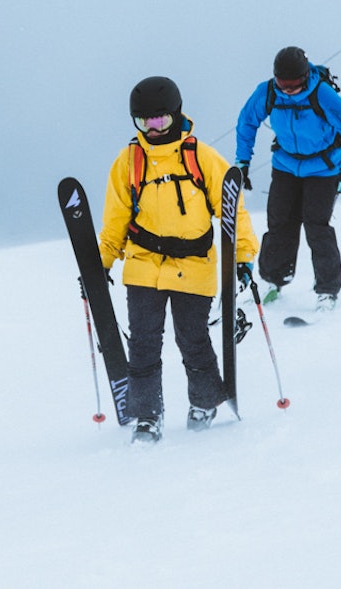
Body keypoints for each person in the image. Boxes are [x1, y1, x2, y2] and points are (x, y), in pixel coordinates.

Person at [99, 76, 258, 444]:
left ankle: (204, 402)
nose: (153, 130)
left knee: (192, 338)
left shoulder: (200, 156)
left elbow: (233, 209)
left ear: (176, 114)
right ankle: (146, 416)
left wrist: (244, 255)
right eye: (144, 123)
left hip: (194, 264)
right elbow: (115, 220)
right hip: (144, 263)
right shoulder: (129, 162)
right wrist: (100, 265)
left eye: (161, 121)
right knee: (143, 343)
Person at [234, 46, 341, 313]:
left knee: (317, 225)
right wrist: (242, 161)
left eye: (294, 85)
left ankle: (327, 290)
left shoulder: (321, 93)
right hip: (285, 165)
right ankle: (274, 282)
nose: (289, 90)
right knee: (279, 222)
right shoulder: (268, 92)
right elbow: (247, 121)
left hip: (323, 168)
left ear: (305, 77)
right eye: (283, 84)